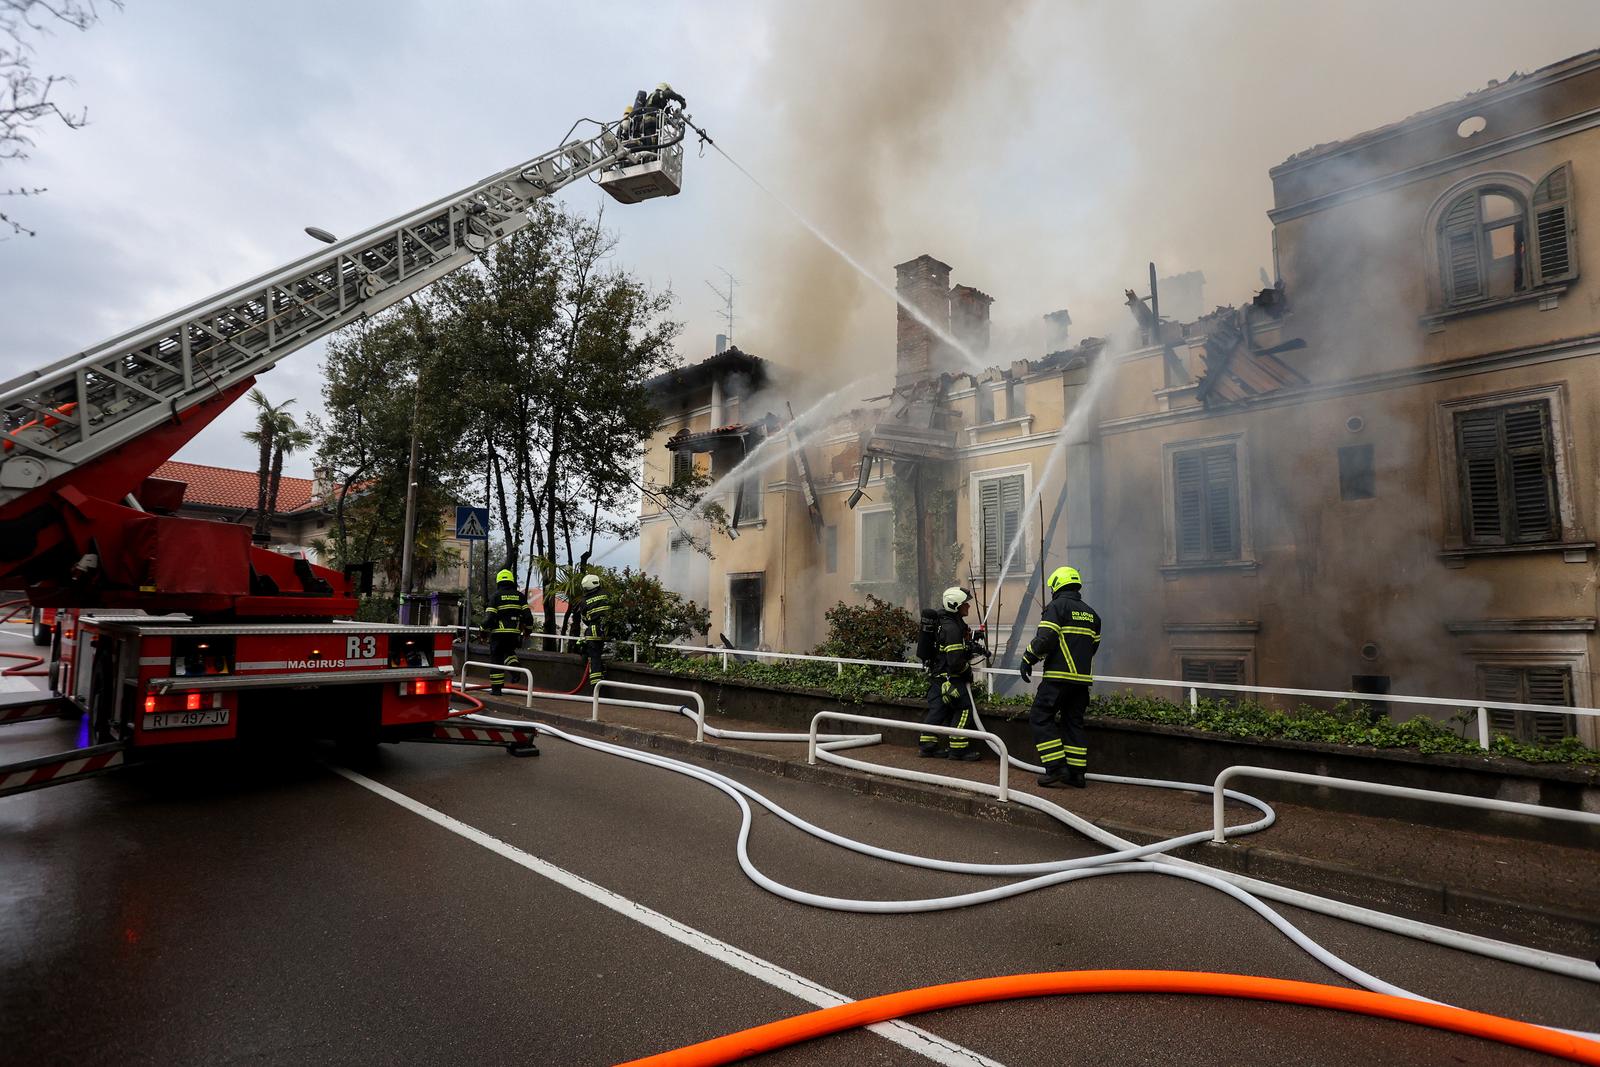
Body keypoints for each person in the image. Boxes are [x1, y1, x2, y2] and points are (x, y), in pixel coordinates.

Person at [1018, 566, 1102, 788]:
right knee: (1073, 722)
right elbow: (1093, 647)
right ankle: (1077, 774)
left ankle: (1056, 767)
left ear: (1057, 585)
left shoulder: (1056, 607)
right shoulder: (1092, 614)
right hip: (1081, 682)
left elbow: (1046, 638)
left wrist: (1028, 658)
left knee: (1040, 716)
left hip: (1057, 679)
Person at [920, 586, 984, 762]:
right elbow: (955, 662)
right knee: (964, 710)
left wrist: (970, 642)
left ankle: (927, 746)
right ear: (955, 605)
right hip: (951, 678)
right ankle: (958, 750)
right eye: (965, 604)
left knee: (937, 711)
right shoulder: (952, 628)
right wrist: (968, 672)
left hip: (938, 676)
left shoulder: (945, 622)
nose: (968, 607)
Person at [481, 568, 532, 696]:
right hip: (514, 634)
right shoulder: (520, 596)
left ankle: (496, 689)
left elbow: (489, 618)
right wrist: (528, 631)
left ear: (498, 581)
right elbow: (528, 617)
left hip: (498, 634)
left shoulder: (496, 597)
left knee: (496, 659)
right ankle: (515, 671)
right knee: (509, 652)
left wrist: (482, 631)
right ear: (511, 581)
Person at [577, 572, 611, 690]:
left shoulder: (583, 601)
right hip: (609, 631)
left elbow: (585, 619)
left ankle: (596, 689)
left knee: (594, 658)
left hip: (593, 633)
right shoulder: (607, 594)